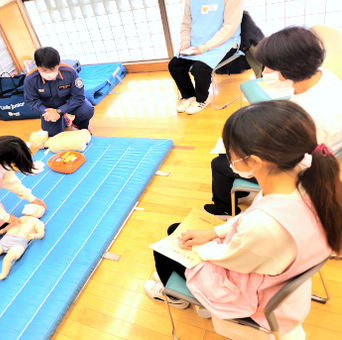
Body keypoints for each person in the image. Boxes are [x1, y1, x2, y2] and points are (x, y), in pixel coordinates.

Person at [145, 100, 342, 338]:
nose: (228, 158)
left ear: (256, 162)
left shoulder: (265, 225)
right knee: (181, 232)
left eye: (231, 153)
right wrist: (214, 233)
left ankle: (182, 298)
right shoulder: (307, 171)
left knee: (169, 245)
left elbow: (229, 257)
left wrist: (205, 247)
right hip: (280, 268)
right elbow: (253, 216)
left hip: (253, 292)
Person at [204, 26, 342, 218]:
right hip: (312, 151)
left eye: (268, 66)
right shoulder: (324, 76)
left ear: (286, 71)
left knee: (219, 164)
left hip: (301, 170)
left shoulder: (312, 115)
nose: (264, 72)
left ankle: (223, 208)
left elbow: (290, 163)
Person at [170, 0, 243, 115]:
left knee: (200, 68)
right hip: (197, 43)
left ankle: (202, 99)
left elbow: (230, 27)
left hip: (225, 43)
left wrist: (205, 47)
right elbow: (186, 24)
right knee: (175, 65)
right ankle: (189, 96)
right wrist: (185, 42)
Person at [24, 47, 94, 137]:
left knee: (87, 110)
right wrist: (46, 111)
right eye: (45, 70)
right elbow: (32, 101)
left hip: (69, 103)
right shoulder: (30, 79)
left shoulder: (70, 72)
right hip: (48, 108)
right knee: (51, 134)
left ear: (59, 64)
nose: (49, 73)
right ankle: (64, 119)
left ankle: (78, 125)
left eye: (53, 69)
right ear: (37, 67)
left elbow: (78, 97)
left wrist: (60, 111)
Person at [0, 216, 45, 280]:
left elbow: (41, 234)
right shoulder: (20, 218)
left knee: (8, 258)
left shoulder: (38, 223)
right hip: (4, 241)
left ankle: (4, 274)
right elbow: (8, 227)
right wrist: (2, 231)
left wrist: (34, 236)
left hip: (19, 244)